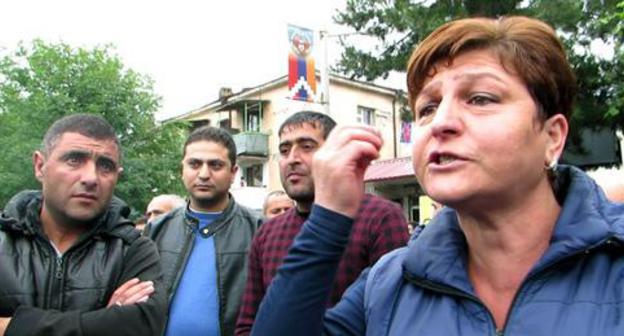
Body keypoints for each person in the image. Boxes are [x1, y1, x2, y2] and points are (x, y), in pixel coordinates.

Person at [250, 16, 624, 335]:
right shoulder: (389, 284)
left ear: (552, 136)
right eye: (427, 107)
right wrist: (328, 218)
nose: (441, 122)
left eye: (480, 99)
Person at [235, 111, 409, 335]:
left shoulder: (380, 217)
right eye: (284, 150)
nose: (292, 159)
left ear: (334, 155)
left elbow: (393, 316)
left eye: (306, 146)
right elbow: (248, 323)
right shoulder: (267, 231)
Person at [0, 114, 166, 335]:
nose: (91, 177)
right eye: (74, 160)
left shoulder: (133, 250)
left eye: (105, 165)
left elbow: (139, 327)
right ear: (40, 166)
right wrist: (106, 319)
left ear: (117, 176)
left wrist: (14, 327)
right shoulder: (3, 241)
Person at [145, 126, 262, 336]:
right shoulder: (156, 229)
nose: (204, 174)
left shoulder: (260, 230)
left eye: (215, 165)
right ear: (182, 169)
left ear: (233, 172)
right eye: (195, 164)